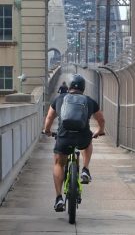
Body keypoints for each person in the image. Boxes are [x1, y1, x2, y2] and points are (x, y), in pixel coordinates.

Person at [43, 74, 105, 212]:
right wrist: (99, 131)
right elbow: (101, 119)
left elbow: (49, 117)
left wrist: (47, 130)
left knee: (59, 163)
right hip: (82, 137)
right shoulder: (89, 101)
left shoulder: (59, 98)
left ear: (69, 86)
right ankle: (85, 170)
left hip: (64, 137)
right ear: (83, 88)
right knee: (88, 142)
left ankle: (59, 198)